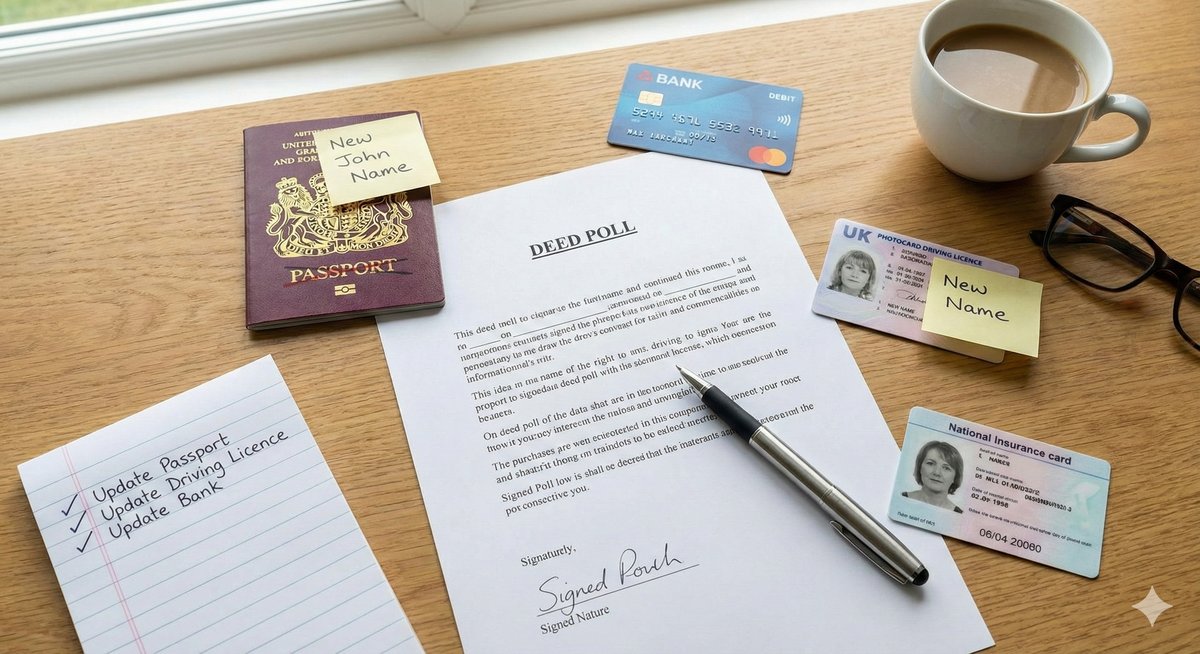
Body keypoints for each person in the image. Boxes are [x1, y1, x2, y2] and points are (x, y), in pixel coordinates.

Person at [902, 440, 964, 513]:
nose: (937, 472)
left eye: (946, 468)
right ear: (920, 468)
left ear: (955, 477)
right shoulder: (901, 498)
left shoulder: (959, 515)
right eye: (930, 463)